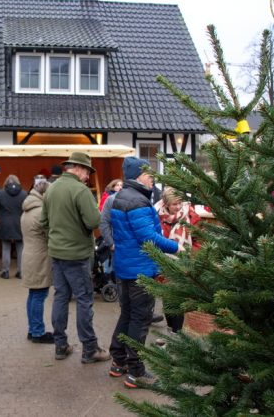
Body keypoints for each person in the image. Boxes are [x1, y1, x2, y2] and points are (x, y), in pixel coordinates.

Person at [99, 157, 182, 388]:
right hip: (141, 269)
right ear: (139, 176)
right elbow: (148, 238)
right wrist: (176, 246)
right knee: (140, 318)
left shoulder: (120, 197)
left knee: (127, 314)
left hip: (125, 267)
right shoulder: (137, 201)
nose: (152, 178)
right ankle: (136, 372)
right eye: (149, 174)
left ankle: (118, 360)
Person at [41, 152, 110, 363]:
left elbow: (43, 222)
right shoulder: (80, 190)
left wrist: (55, 241)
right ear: (78, 168)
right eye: (87, 171)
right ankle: (90, 349)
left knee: (61, 297)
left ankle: (60, 345)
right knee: (84, 300)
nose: (88, 176)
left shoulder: (51, 189)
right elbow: (93, 221)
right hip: (77, 254)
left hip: (57, 253)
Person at [154, 186, 201, 335]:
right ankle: (171, 333)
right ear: (166, 204)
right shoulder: (157, 216)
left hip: (183, 263)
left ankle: (177, 333)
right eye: (174, 204)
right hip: (164, 263)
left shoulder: (190, 215)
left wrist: (192, 257)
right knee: (167, 298)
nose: (178, 207)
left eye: (180, 203)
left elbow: (198, 239)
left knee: (179, 298)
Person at [20, 175, 54, 344]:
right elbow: (50, 235)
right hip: (39, 257)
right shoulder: (40, 212)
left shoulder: (28, 208)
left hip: (30, 255)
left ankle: (32, 329)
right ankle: (38, 332)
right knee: (39, 295)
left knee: (33, 295)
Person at [0, 174, 27, 279]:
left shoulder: (0, 193)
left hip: (5, 222)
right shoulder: (24, 194)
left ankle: (5, 272)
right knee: (21, 248)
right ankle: (21, 272)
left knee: (5, 248)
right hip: (19, 222)